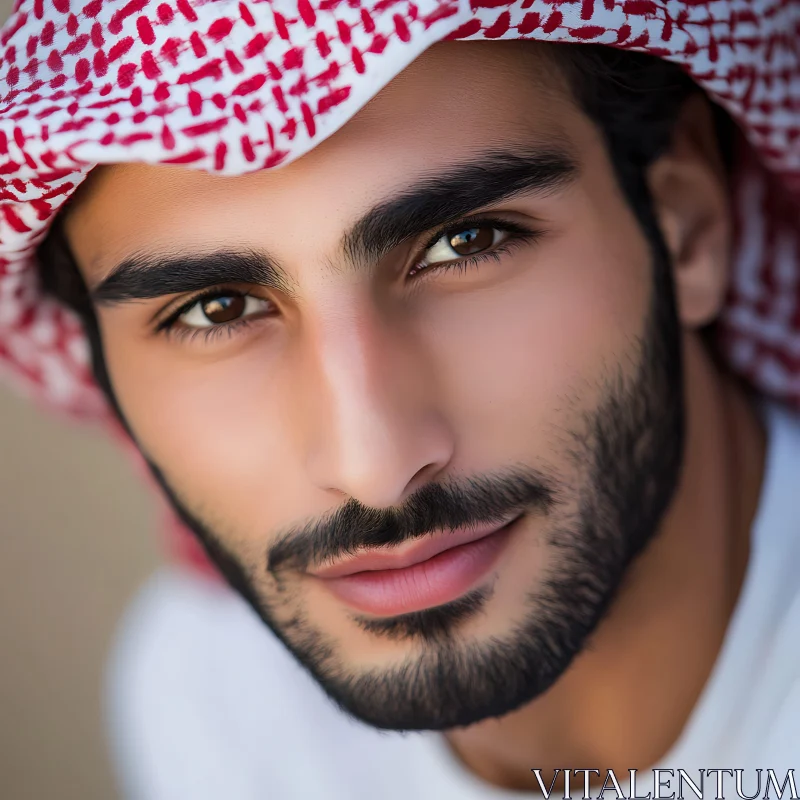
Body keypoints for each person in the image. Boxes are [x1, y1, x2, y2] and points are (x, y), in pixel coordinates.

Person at [1, 1, 799, 798]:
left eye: (467, 242)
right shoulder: (215, 699)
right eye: (217, 310)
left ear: (686, 224)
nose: (374, 468)